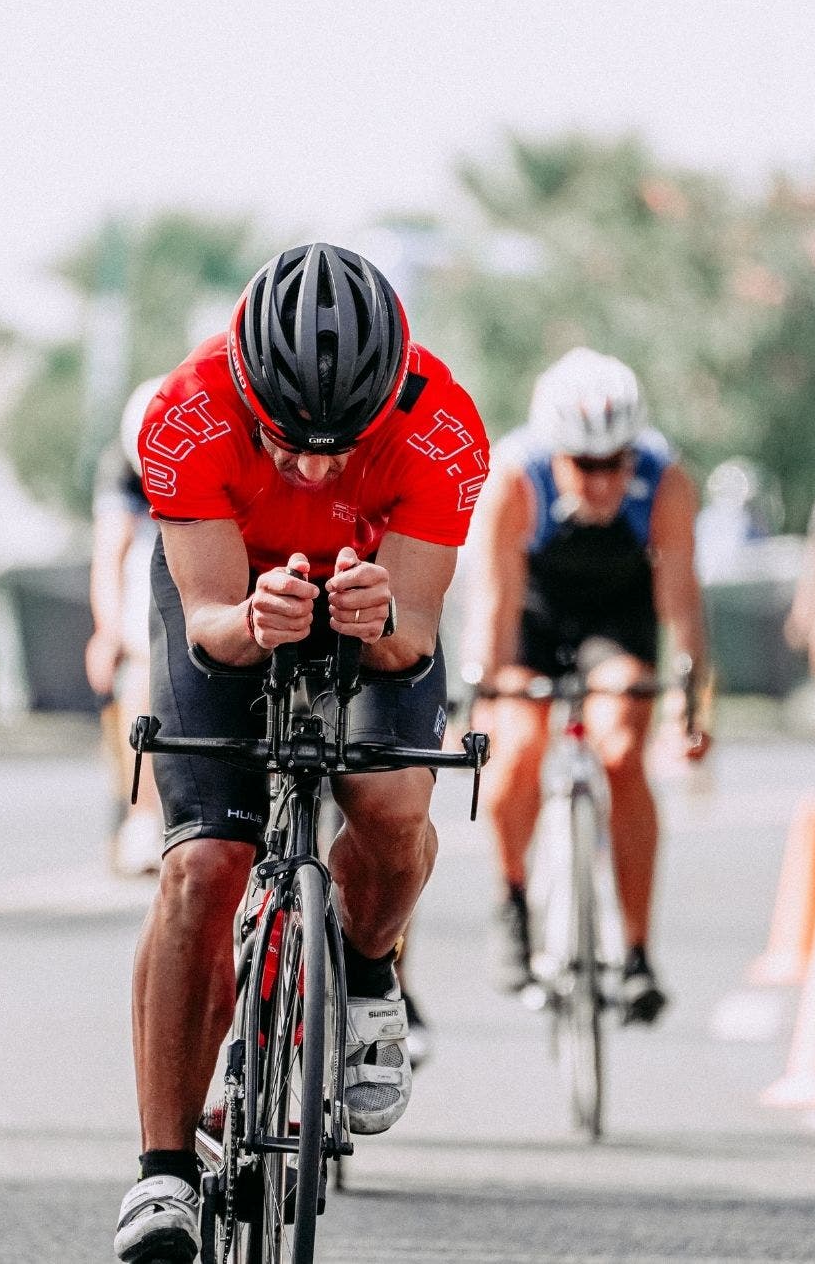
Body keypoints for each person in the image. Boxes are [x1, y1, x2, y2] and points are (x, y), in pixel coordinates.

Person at [113, 244, 486, 1263]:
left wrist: (380, 617)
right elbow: (209, 624)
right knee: (200, 867)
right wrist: (253, 615)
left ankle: (370, 977)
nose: (319, 468)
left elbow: (412, 631)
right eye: (289, 443)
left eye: (344, 446)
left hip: (373, 605)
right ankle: (163, 1175)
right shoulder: (186, 414)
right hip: (239, 602)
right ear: (246, 390)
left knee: (392, 806)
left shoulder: (443, 428)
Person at [467, 347, 710, 1014]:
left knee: (623, 752)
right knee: (515, 747)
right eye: (585, 465)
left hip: (617, 619)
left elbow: (681, 604)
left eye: (616, 463)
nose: (603, 483)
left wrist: (688, 708)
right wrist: (481, 696)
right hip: (536, 617)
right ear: (555, 454)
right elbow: (494, 600)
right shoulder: (516, 479)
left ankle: (635, 952)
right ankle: (513, 899)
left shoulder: (666, 481)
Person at [87, 378, 167, 876]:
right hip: (151, 562)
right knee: (138, 675)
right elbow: (110, 552)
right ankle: (140, 812)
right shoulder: (120, 466)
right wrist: (109, 633)